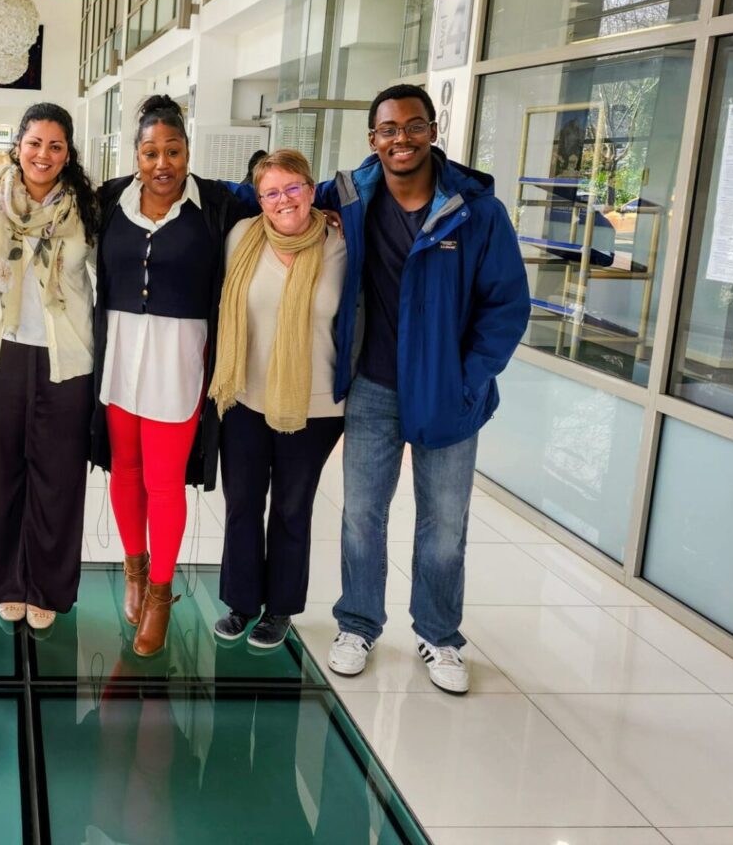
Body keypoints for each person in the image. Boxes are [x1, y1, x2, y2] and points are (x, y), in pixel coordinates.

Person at [317, 83, 529, 694]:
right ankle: (357, 624)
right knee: (361, 515)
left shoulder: (475, 210)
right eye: (388, 129)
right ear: (372, 139)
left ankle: (439, 636)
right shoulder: (353, 195)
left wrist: (469, 380)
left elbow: (506, 307)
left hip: (447, 392)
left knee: (443, 523)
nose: (400, 139)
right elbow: (285, 195)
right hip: (373, 389)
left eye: (413, 126)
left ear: (432, 130)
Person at [91, 95, 247, 657]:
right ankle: (133, 570)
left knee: (163, 482)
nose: (163, 163)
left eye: (173, 151)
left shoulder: (218, 205)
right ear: (135, 155)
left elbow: (283, 196)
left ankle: (160, 593)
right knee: (124, 473)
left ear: (188, 151)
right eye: (151, 151)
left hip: (178, 366)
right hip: (119, 360)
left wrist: (322, 208)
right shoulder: (110, 200)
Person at [208, 149, 350, 650]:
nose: (283, 200)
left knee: (292, 508)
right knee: (243, 502)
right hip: (245, 397)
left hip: (314, 407)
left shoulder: (341, 243)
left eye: (293, 188)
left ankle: (281, 609)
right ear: (259, 198)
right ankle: (241, 602)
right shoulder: (241, 237)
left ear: (313, 191)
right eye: (271, 191)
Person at [0, 103, 100, 629]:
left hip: (67, 358)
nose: (43, 154)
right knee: (0, 474)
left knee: (59, 478)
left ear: (67, 153)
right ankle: (6, 581)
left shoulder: (87, 207)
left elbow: (107, 274)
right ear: (17, 144)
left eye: (55, 145)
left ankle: (46, 585)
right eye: (34, 143)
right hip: (2, 353)